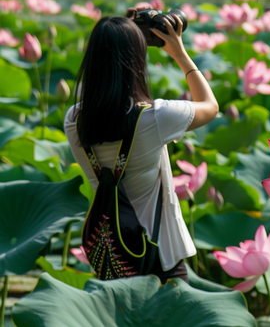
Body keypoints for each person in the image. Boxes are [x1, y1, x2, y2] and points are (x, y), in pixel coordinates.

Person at [64, 15, 219, 284]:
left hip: (114, 255)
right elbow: (210, 106)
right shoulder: (156, 117)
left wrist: (122, 27)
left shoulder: (74, 120)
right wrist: (179, 53)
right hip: (159, 256)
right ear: (136, 59)